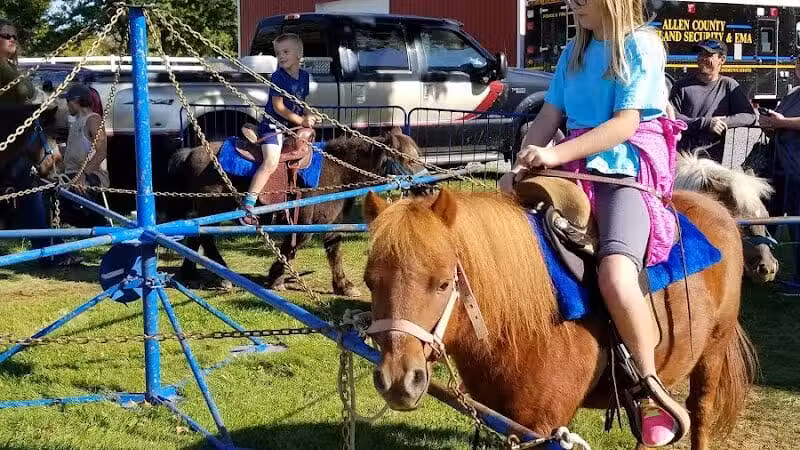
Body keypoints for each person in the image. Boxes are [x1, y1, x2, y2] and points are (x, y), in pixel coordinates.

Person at [498, 0, 690, 447]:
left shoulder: (641, 46)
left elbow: (624, 124)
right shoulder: (573, 51)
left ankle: (651, 388)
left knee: (617, 275)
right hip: (571, 166)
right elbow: (549, 116)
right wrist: (521, 166)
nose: (572, 5)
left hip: (622, 170)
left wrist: (553, 155)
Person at [240, 33, 317, 225]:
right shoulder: (278, 77)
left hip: (291, 127)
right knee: (271, 162)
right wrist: (300, 118)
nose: (281, 56)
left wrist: (308, 115)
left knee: (308, 153)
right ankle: (248, 205)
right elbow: (279, 107)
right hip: (273, 126)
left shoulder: (305, 76)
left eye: (286, 52)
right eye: (278, 53)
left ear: (299, 54)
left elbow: (302, 102)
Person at [669, 39, 756, 160]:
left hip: (714, 160)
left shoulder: (729, 86)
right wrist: (705, 123)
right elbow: (672, 117)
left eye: (708, 55)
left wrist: (723, 123)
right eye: (700, 54)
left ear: (722, 60)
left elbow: (749, 116)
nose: (702, 58)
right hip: (684, 158)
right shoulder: (682, 86)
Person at [59, 83, 110, 227]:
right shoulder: (75, 123)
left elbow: (101, 152)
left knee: (74, 192)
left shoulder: (93, 119)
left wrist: (83, 174)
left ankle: (102, 226)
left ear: (76, 101)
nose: (67, 106)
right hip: (71, 174)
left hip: (91, 174)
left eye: (68, 102)